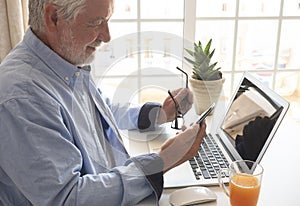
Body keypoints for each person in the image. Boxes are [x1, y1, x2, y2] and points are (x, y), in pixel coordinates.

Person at [0, 0, 207, 205]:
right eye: (96, 22)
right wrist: (161, 162)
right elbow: (68, 198)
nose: (107, 36)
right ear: (54, 17)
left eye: (107, 20)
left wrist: (158, 114)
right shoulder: (24, 97)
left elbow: (100, 110)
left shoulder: (61, 61)